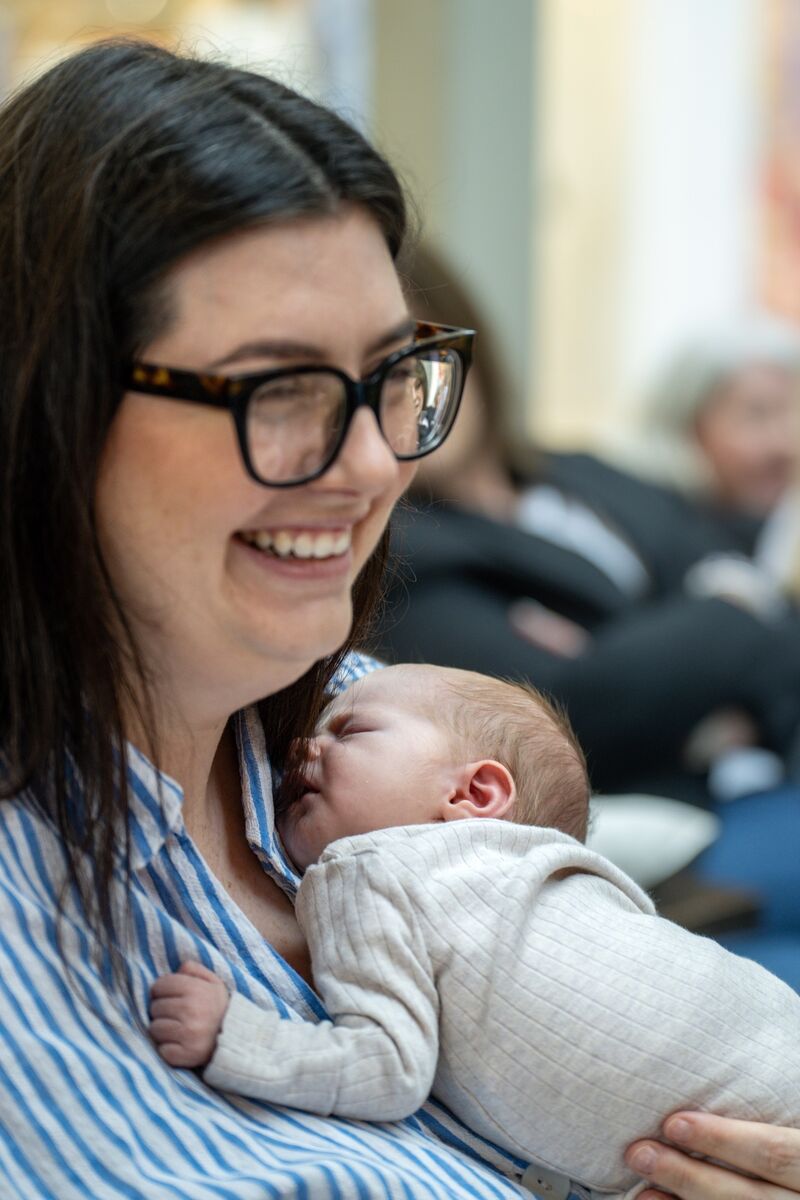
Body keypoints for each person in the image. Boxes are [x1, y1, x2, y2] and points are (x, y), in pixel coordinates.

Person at [0, 35, 798, 1200]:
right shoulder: (39, 900)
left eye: (390, 379)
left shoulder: (362, 708)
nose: (374, 463)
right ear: (52, 402)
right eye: (279, 388)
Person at [149, 663, 800, 1200]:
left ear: (474, 795)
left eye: (348, 730)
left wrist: (239, 1035)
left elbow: (385, 1069)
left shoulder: (369, 867)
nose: (302, 748)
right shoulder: (541, 873)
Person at [379, 245, 800, 803]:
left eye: (418, 365)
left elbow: (723, 560)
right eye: (375, 379)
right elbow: (562, 716)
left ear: (465, 345)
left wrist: (637, 658)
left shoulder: (576, 471)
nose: (408, 400)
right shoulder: (405, 554)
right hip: (671, 815)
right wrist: (727, 614)